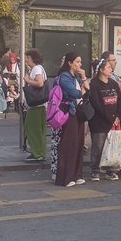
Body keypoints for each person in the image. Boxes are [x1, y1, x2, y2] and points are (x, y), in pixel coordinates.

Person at [51, 52, 89, 187]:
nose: (79, 65)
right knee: (69, 144)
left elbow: (87, 90)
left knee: (79, 143)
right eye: (77, 62)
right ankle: (66, 177)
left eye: (80, 62)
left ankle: (77, 175)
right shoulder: (64, 77)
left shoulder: (76, 77)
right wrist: (83, 90)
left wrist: (84, 78)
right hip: (68, 112)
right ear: (70, 63)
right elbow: (75, 93)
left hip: (77, 112)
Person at [86, 53, 121, 181]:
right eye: (108, 67)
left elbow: (120, 100)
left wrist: (118, 115)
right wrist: (109, 117)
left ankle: (111, 170)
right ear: (101, 70)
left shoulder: (113, 83)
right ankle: (95, 170)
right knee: (98, 145)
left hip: (114, 120)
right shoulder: (94, 84)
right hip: (99, 121)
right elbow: (96, 103)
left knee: (112, 145)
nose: (110, 69)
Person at [22, 48, 47, 163]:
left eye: (28, 58)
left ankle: (37, 153)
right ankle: (40, 152)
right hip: (41, 104)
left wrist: (27, 80)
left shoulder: (36, 68)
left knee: (32, 128)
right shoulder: (40, 68)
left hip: (35, 105)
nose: (26, 61)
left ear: (33, 59)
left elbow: (39, 82)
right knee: (39, 129)